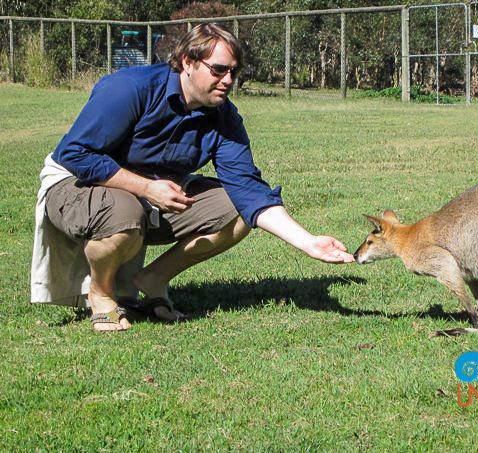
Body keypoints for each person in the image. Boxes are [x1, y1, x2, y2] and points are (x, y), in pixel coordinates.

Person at [30, 22, 354, 332]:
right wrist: (145, 187)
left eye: (233, 72)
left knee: (237, 211)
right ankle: (101, 294)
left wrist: (308, 242)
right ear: (188, 62)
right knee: (124, 212)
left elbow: (249, 191)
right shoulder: (130, 88)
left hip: (153, 193)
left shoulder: (224, 117)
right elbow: (75, 154)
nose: (228, 80)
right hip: (79, 183)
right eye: (218, 69)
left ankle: (154, 279)